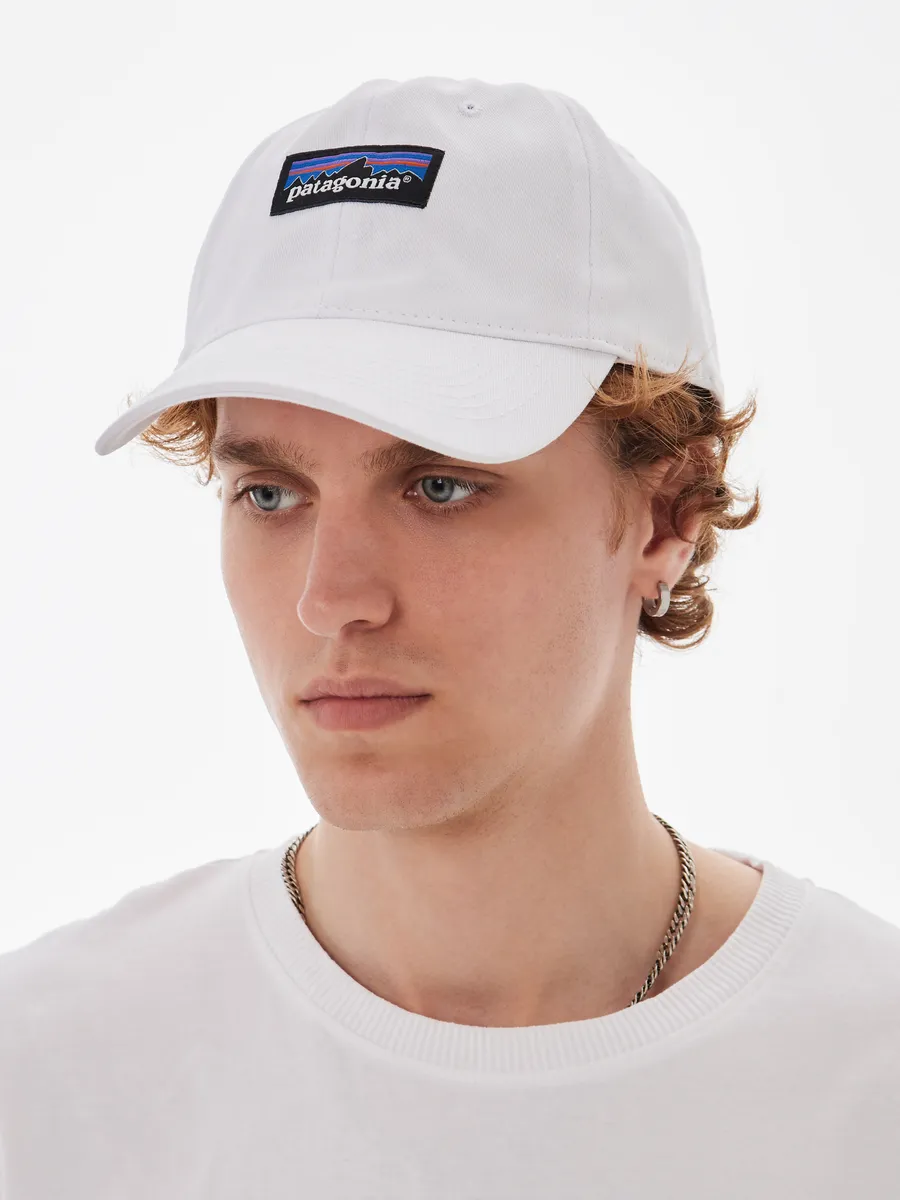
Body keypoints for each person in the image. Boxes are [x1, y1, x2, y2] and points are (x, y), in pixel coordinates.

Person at [1, 76, 898, 1197]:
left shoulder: (867, 1082)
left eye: (437, 486)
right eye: (270, 495)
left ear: (668, 513)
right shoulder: (49, 1079)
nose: (332, 599)